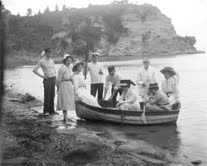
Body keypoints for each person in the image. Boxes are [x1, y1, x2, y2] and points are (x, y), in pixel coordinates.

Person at [33, 48, 58, 115]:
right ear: (46, 53)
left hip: (53, 78)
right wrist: (42, 76)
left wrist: (56, 78)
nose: (50, 54)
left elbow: (54, 70)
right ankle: (46, 111)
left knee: (52, 95)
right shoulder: (41, 61)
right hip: (47, 80)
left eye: (51, 53)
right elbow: (34, 70)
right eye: (49, 53)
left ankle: (52, 110)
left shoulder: (52, 61)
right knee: (47, 96)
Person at [56, 54, 75, 122]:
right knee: (65, 102)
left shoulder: (69, 68)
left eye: (70, 61)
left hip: (69, 85)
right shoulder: (62, 68)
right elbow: (58, 80)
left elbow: (71, 76)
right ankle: (65, 118)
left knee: (68, 101)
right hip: (64, 85)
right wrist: (58, 88)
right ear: (65, 61)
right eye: (68, 60)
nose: (69, 62)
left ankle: (65, 117)